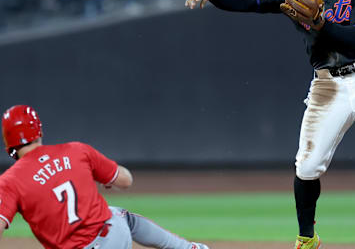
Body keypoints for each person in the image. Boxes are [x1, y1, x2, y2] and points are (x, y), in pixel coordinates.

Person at [185, 0, 355, 249]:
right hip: (327, 83)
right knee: (307, 167)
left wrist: (322, 24)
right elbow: (250, 2)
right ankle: (307, 238)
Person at [0, 104, 210, 249]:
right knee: (119, 215)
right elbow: (126, 180)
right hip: (111, 239)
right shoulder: (76, 150)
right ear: (39, 131)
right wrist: (102, 176)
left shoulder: (9, 181)